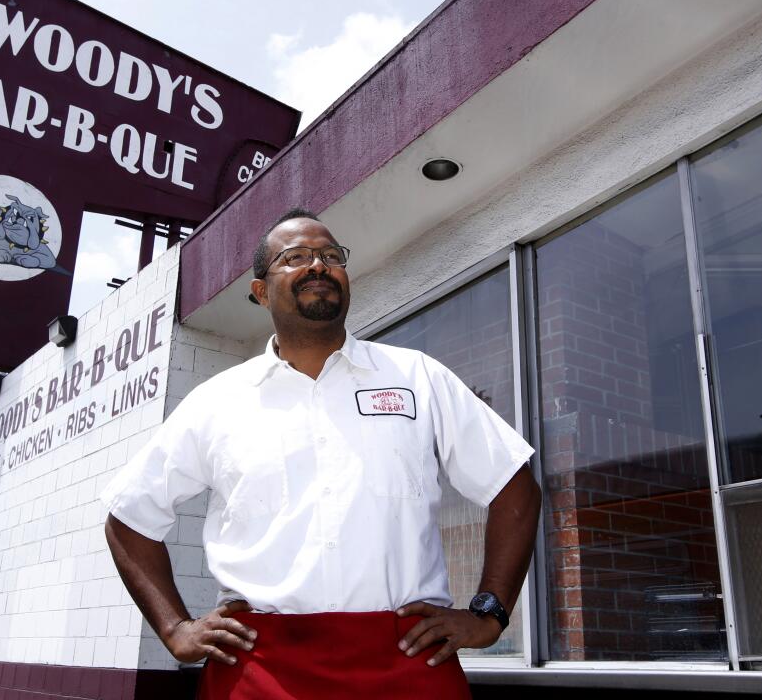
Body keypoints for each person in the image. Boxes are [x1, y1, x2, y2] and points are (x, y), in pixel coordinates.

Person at [102, 208, 541, 698]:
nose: (318, 265)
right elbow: (129, 517)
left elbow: (513, 484)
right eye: (296, 257)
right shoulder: (216, 401)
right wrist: (174, 628)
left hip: (410, 658)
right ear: (261, 291)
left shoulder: (416, 377)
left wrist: (491, 611)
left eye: (331, 255)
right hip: (260, 666)